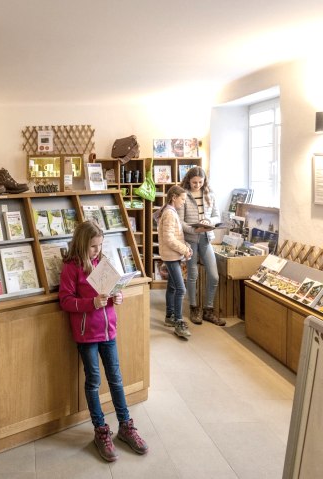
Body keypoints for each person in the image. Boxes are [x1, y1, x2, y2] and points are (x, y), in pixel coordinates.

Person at [58, 221, 148, 462]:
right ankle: (100, 430)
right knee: (94, 380)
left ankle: (126, 426)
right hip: (87, 334)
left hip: (109, 331)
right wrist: (91, 303)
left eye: (100, 245)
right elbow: (65, 300)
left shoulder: (103, 262)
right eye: (93, 246)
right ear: (81, 244)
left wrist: (117, 296)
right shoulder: (71, 267)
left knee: (116, 379)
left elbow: (110, 291)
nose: (97, 250)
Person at [178, 167, 225, 326]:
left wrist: (208, 222)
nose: (197, 185)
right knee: (193, 275)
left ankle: (208, 309)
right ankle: (194, 307)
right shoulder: (183, 195)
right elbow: (180, 221)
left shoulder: (210, 195)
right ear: (188, 181)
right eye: (194, 182)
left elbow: (217, 216)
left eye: (200, 182)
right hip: (190, 240)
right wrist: (194, 229)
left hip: (206, 239)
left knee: (214, 276)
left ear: (204, 181)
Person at [156, 185, 193, 339]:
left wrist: (185, 247)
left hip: (173, 255)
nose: (183, 202)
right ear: (174, 197)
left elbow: (175, 236)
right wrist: (184, 249)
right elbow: (169, 239)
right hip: (171, 256)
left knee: (172, 287)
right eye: (182, 199)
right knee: (181, 289)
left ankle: (169, 316)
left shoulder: (170, 211)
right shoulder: (170, 214)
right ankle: (178, 321)